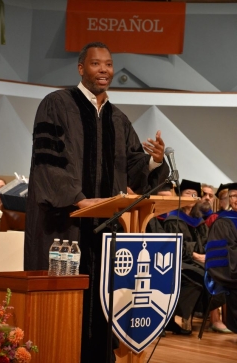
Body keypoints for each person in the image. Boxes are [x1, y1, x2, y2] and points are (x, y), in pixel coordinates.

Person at [24, 42, 169, 363]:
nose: (104, 70)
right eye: (96, 64)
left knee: (100, 308)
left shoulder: (118, 119)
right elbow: (47, 162)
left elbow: (133, 168)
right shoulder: (56, 105)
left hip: (105, 233)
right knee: (64, 310)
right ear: (81, 69)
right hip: (65, 227)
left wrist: (153, 162)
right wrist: (78, 198)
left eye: (108, 64)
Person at [164, 179, 225, 333]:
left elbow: (207, 243)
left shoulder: (199, 221)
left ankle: (188, 317)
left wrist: (207, 255)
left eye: (194, 195)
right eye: (188, 194)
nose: (192, 197)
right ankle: (180, 317)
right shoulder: (173, 219)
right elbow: (173, 245)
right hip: (179, 261)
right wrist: (194, 254)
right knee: (199, 277)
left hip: (198, 261)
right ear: (180, 196)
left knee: (220, 273)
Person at [205, 182, 237, 333]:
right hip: (231, 273)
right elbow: (223, 254)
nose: (235, 199)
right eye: (232, 196)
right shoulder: (223, 222)